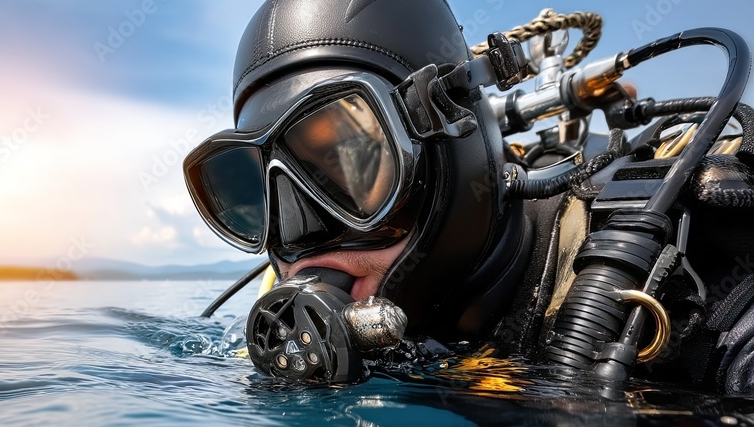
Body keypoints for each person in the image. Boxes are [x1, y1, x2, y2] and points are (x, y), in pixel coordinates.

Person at [184, 0, 754, 393]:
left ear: (449, 150)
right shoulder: (288, 309)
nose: (294, 236)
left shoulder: (695, 274)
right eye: (257, 192)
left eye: (347, 170)